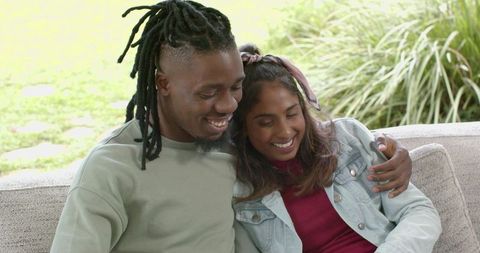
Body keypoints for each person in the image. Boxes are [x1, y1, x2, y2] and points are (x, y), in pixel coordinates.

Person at [51, 1, 413, 252]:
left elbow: (309, 140)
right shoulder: (112, 169)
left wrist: (386, 150)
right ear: (162, 84)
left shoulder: (234, 146)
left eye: (235, 86)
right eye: (209, 92)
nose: (228, 105)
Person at [232, 44, 442, 253]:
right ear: (244, 126)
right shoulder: (239, 190)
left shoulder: (348, 138)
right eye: (266, 122)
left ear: (303, 109)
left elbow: (419, 212)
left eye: (291, 114)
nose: (285, 131)